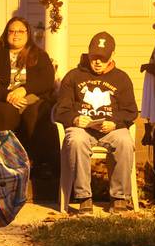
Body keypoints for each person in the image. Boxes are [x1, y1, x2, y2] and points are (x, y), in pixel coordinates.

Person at [55, 32, 138, 214]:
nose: (98, 62)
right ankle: (84, 197)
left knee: (124, 141)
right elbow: (60, 111)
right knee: (76, 141)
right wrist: (75, 119)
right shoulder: (74, 76)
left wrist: (115, 123)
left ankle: (119, 197)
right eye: (94, 57)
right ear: (88, 54)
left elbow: (131, 111)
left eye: (103, 58)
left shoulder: (121, 78)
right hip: (82, 129)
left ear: (112, 56)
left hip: (111, 128)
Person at [0, 17, 57, 173]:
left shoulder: (39, 55)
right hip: (6, 101)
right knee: (4, 114)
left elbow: (48, 80)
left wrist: (24, 89)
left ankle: (35, 162)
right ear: (6, 34)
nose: (16, 34)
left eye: (20, 31)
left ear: (27, 33)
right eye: (12, 31)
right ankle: (6, 161)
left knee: (35, 113)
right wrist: (7, 95)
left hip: (32, 99)